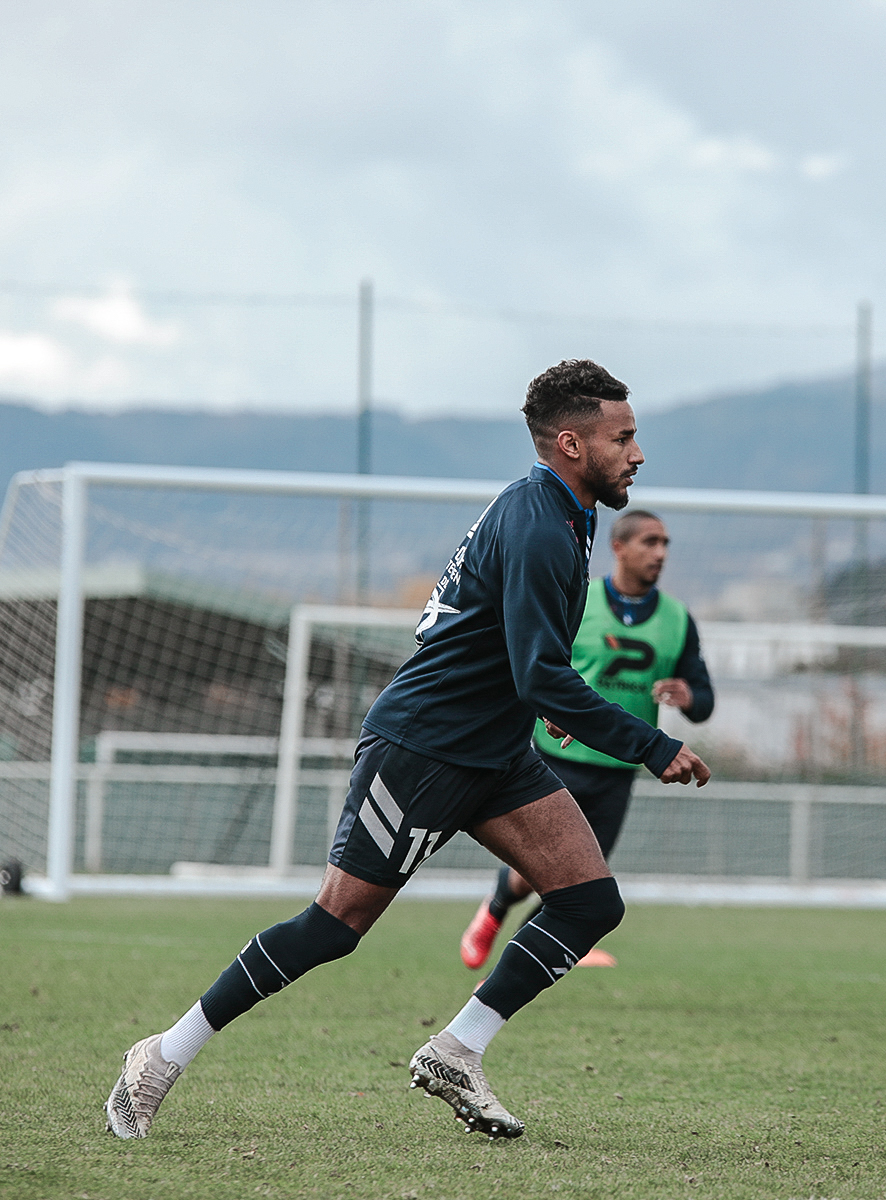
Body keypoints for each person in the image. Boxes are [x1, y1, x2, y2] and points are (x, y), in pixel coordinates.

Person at [104, 360, 710, 1142]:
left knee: (591, 900)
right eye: (623, 437)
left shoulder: (568, 514)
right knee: (334, 928)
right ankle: (158, 1057)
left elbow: (521, 655)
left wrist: (545, 704)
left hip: (492, 750)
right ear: (571, 443)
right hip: (422, 748)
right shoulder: (536, 521)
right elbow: (539, 671)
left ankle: (458, 1048)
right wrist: (649, 745)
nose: (637, 453)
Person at [458, 509, 713, 970]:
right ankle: (494, 909)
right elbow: (537, 670)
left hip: (619, 768)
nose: (660, 553)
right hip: (558, 757)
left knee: (582, 880)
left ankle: (511, 962)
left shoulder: (677, 619)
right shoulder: (582, 600)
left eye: (665, 544)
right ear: (619, 547)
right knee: (542, 868)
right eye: (649, 542)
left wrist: (689, 695)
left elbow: (705, 700)